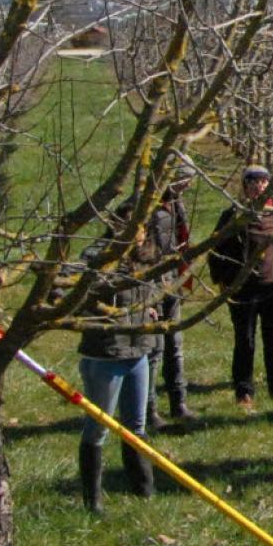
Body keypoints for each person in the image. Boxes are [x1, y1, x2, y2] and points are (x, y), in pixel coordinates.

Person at [70, 201, 171, 512]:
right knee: (99, 426)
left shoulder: (146, 257)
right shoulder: (96, 258)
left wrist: (152, 308)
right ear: (115, 226)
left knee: (136, 425)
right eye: (130, 227)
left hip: (139, 351)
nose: (137, 234)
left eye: (141, 227)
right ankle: (93, 499)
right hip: (105, 354)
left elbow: (157, 291)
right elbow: (74, 297)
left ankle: (144, 490)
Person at [209, 165, 273, 409]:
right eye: (253, 182)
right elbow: (216, 250)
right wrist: (224, 282)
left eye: (263, 182)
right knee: (245, 341)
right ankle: (243, 390)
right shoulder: (233, 216)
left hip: (272, 289)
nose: (259, 186)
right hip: (243, 291)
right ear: (245, 186)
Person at [148, 161, 199, 424]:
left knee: (174, 345)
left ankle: (178, 402)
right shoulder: (146, 208)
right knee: (154, 349)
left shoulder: (176, 204)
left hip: (172, 280)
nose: (188, 185)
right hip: (153, 286)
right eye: (184, 180)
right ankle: (149, 409)